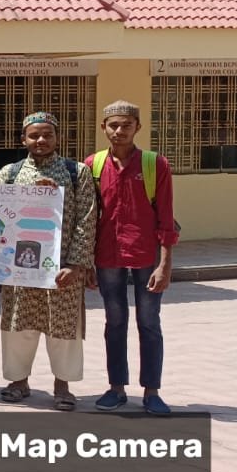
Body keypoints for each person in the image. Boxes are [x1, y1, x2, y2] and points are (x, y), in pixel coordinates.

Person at [0, 112, 98, 412]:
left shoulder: (75, 172)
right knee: (18, 324)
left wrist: (76, 264)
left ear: (57, 137)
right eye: (34, 135)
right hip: (19, 267)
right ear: (23, 139)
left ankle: (62, 384)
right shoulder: (10, 174)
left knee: (63, 327)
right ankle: (18, 380)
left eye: (47, 135)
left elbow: (87, 218)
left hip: (62, 268)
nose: (40, 140)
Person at [87, 100, 178, 416]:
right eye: (113, 125)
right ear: (103, 128)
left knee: (149, 322)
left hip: (146, 255)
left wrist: (165, 264)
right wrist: (87, 262)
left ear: (138, 127)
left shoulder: (156, 165)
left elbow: (167, 218)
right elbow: (87, 218)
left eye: (126, 124)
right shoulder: (93, 165)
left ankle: (152, 391)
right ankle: (116, 388)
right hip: (107, 255)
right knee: (115, 321)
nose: (119, 131)